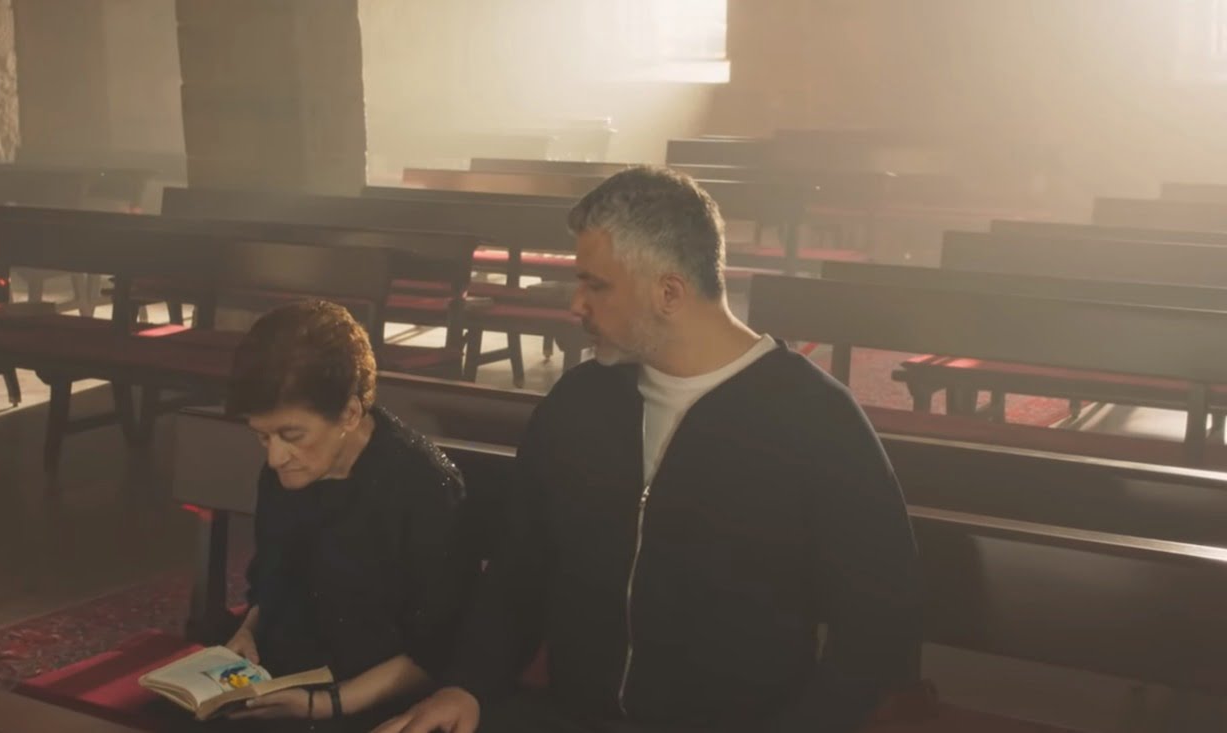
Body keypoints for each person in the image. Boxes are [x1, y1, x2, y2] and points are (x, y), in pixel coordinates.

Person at [376, 167, 923, 733]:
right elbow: (522, 567)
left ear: (669, 292)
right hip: (574, 718)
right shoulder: (579, 402)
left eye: (596, 285)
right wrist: (469, 686)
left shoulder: (814, 418)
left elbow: (877, 630)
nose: (576, 304)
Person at [214, 300, 476, 731]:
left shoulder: (423, 486)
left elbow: (437, 648)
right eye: (262, 437)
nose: (276, 457)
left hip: (376, 698)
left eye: (291, 435)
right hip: (286, 680)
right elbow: (273, 579)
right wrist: (248, 633)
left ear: (350, 414)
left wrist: (325, 705)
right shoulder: (286, 472)